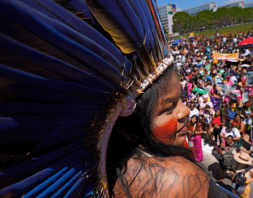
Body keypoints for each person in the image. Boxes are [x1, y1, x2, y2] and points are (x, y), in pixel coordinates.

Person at [0, 1, 228, 197]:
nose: (185, 111)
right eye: (168, 108)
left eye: (180, 100)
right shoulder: (178, 180)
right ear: (127, 129)